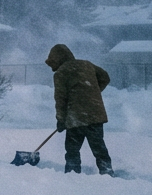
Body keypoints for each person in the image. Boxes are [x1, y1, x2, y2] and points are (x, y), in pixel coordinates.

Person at [44, 44, 114, 176]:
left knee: (72, 150)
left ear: (58, 60)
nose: (52, 68)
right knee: (99, 148)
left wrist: (60, 120)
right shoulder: (86, 65)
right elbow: (105, 77)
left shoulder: (61, 73)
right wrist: (92, 93)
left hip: (76, 118)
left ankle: (72, 175)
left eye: (52, 63)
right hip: (95, 114)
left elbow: (60, 99)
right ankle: (107, 172)